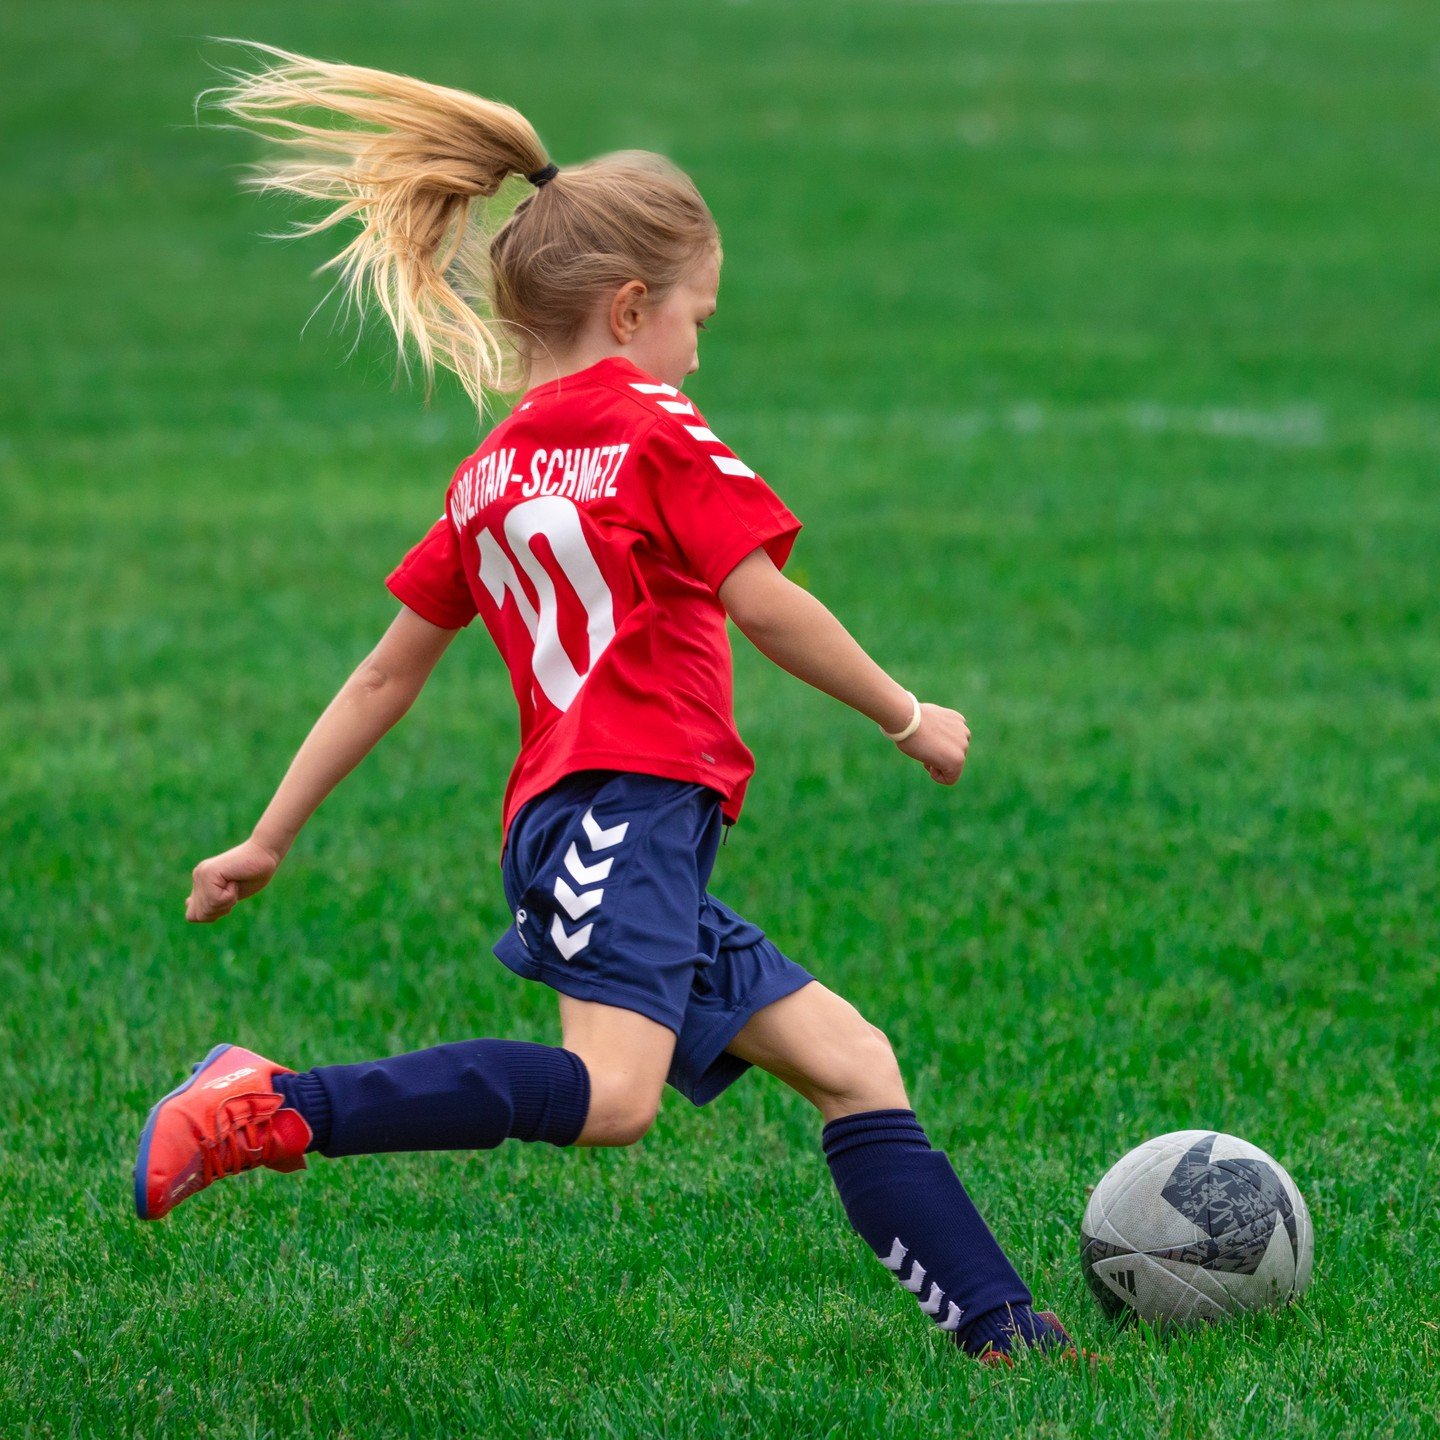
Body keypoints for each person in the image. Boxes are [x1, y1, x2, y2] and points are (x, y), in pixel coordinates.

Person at [133, 43, 1076, 1366]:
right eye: (699, 316)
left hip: (602, 826)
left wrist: (269, 835)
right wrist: (907, 715)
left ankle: (1004, 1334)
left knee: (853, 1062)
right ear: (631, 308)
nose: (700, 345)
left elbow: (383, 671)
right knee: (614, 1099)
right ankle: (275, 1106)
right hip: (621, 816)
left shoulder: (491, 468)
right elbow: (765, 602)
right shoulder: (654, 427)